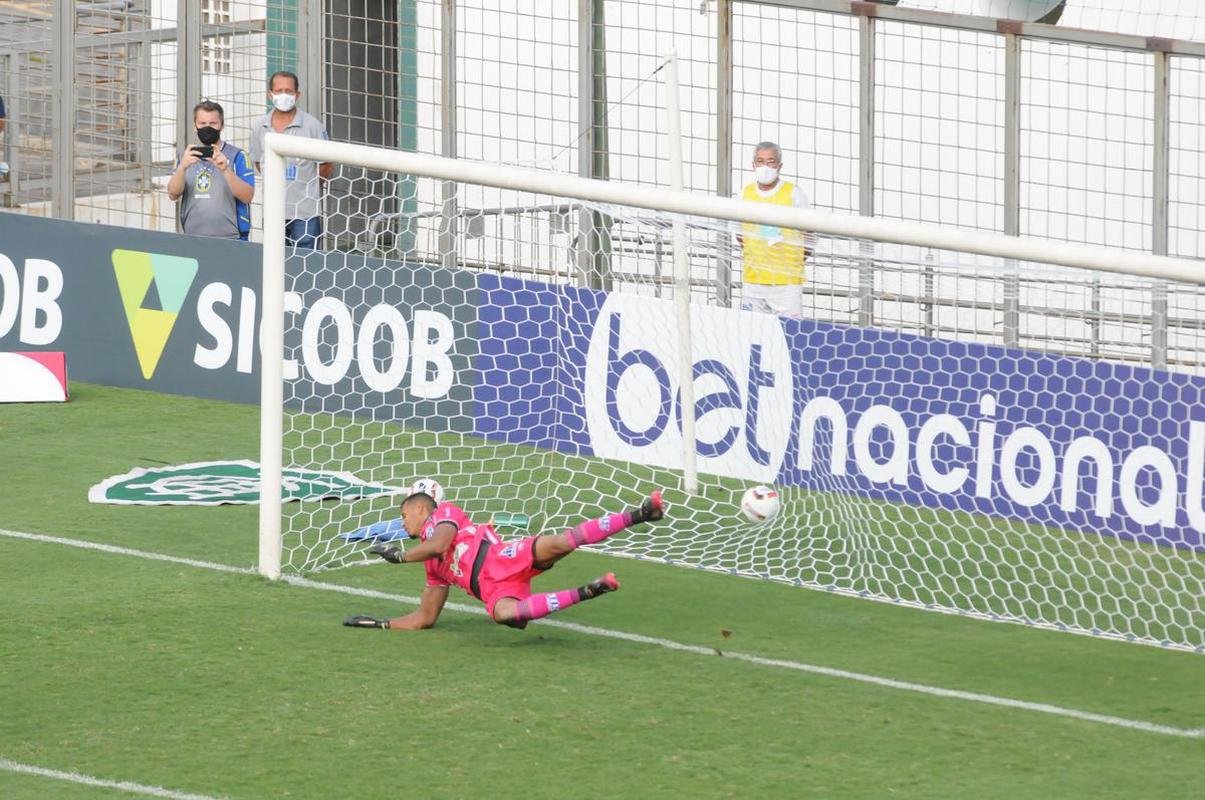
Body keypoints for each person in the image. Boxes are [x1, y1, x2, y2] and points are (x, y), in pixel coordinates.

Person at [343, 488, 666, 631]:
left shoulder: (446, 514)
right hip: (491, 589)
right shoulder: (432, 568)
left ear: (419, 508)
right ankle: (591, 590)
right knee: (504, 614)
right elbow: (425, 618)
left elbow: (440, 544)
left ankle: (641, 514)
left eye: (404, 515)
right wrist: (381, 624)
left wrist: (400, 557)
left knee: (560, 542)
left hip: (500, 558)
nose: (403, 523)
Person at [250, 71, 332, 249]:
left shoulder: (312, 126)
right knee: (275, 264)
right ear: (270, 94)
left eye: (288, 91)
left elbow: (326, 165)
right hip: (273, 212)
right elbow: (258, 162)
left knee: (307, 263)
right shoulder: (260, 126)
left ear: (297, 94)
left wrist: (306, 187)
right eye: (279, 90)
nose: (283, 95)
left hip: (305, 214)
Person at [737, 141, 811, 318]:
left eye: (770, 162)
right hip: (753, 280)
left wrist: (794, 262)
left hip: (786, 283)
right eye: (760, 161)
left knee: (789, 335)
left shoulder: (793, 194)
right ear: (753, 165)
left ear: (779, 165)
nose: (765, 166)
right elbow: (739, 235)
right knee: (754, 334)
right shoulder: (744, 194)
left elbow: (810, 235)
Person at [167, 100, 255, 240]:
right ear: (195, 126)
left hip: (232, 239)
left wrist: (225, 169)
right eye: (202, 124)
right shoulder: (185, 156)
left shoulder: (238, 156)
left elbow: (247, 196)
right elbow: (173, 194)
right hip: (192, 238)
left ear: (222, 125)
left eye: (213, 124)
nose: (207, 128)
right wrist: (182, 167)